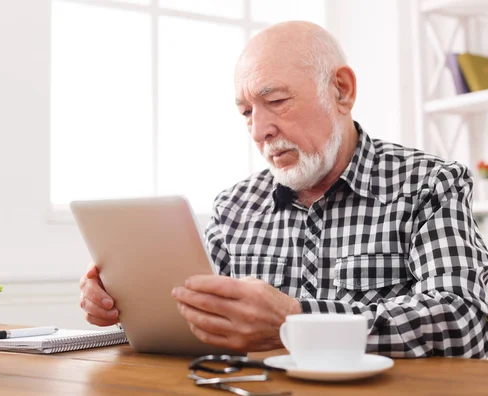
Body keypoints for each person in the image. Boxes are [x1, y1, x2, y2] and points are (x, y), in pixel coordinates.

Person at [79, 21, 488, 358]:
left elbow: (464, 319)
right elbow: (202, 324)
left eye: (275, 101)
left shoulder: (429, 184)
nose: (259, 130)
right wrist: (124, 303)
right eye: (245, 112)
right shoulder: (234, 207)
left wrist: (295, 321)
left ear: (341, 91)